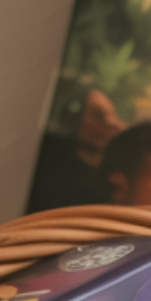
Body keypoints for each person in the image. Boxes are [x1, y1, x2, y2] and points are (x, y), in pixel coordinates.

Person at [27, 83, 124, 211]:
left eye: (112, 115)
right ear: (76, 120)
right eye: (99, 115)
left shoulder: (110, 177)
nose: (112, 124)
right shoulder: (51, 167)